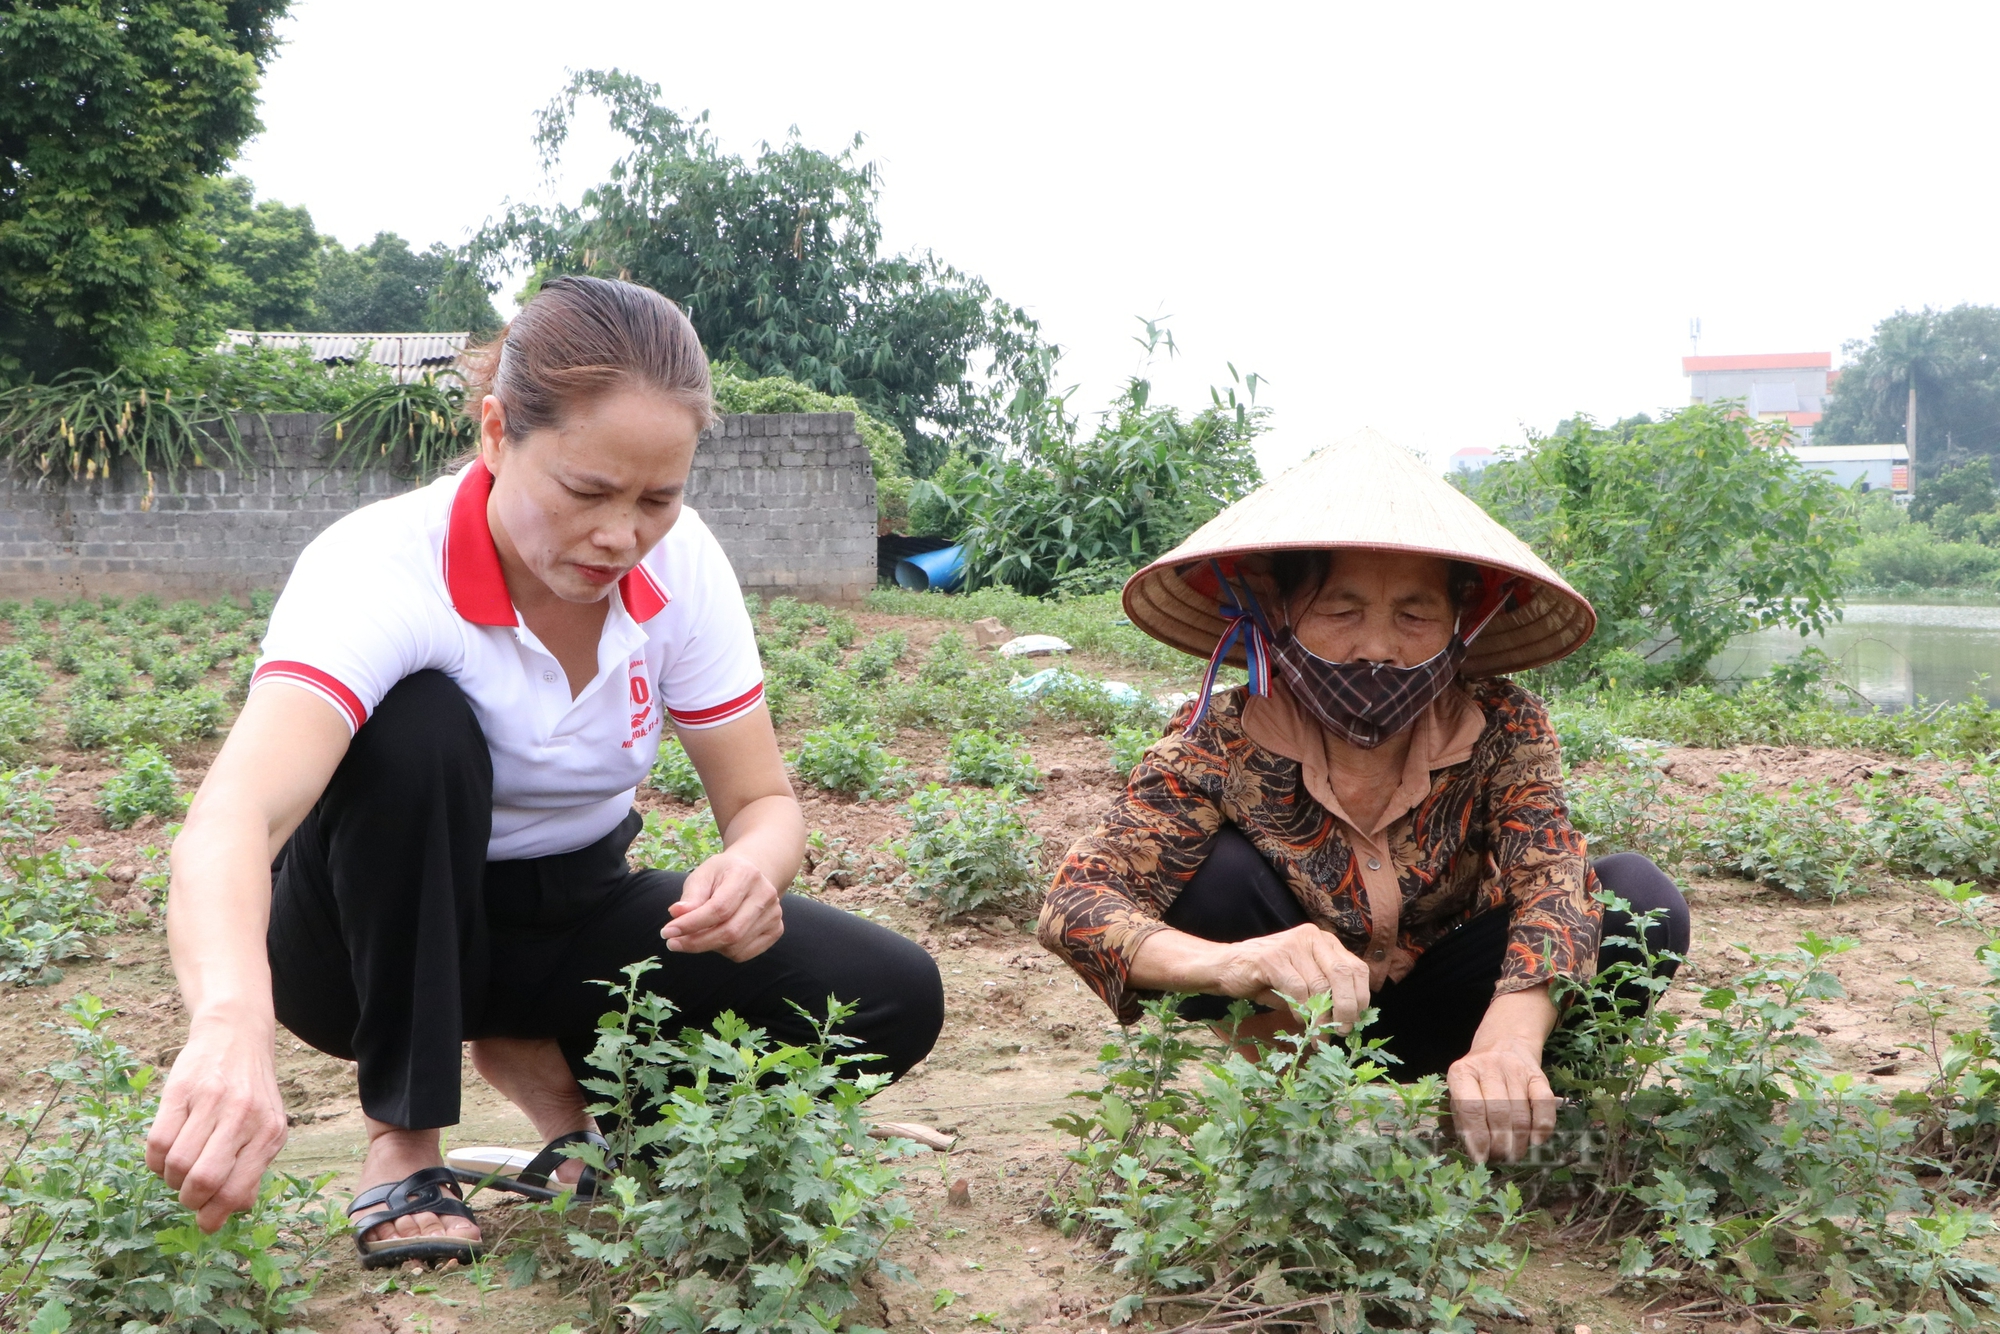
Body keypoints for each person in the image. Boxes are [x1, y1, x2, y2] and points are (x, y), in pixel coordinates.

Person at [144, 276, 944, 1268]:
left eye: (657, 497)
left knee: (891, 995)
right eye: (585, 490)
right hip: (361, 945)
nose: (621, 534)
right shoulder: (381, 566)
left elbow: (763, 802)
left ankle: (589, 1113)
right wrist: (230, 1020)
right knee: (415, 726)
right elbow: (236, 816)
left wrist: (753, 871)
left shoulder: (679, 564)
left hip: (566, 909)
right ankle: (403, 1137)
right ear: (494, 434)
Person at [1038, 430, 1690, 1165]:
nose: (1378, 646)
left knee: (1639, 897)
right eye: (1341, 612)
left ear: (1460, 623)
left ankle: (1505, 1086)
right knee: (1212, 877)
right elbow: (1077, 902)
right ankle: (1300, 1102)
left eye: (1413, 616)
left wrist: (1509, 1032)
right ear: (1277, 612)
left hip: (1459, 1013)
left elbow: (1551, 878)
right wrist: (1239, 964)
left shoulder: (1503, 723)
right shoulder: (1217, 738)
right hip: (1300, 1019)